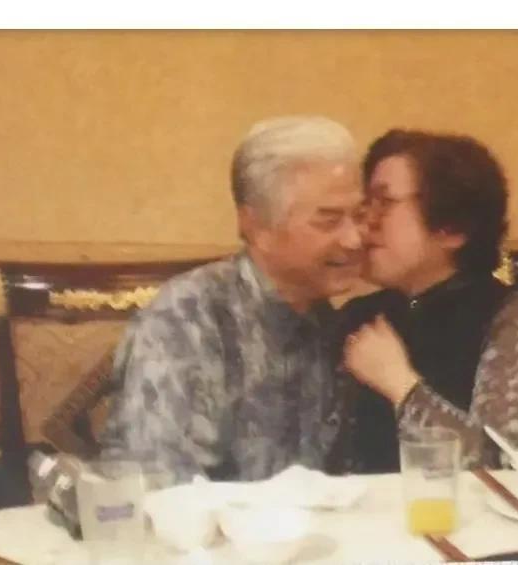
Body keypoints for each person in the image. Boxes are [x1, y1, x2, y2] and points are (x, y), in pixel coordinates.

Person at [100, 115, 366, 482]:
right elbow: (152, 479)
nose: (355, 239)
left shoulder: (337, 324)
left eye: (359, 216)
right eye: (329, 220)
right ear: (256, 226)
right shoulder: (188, 318)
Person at [341, 129, 518, 472]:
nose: (367, 222)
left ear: (452, 229)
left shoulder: (517, 315)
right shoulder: (360, 316)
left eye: (385, 203)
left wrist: (400, 386)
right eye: (367, 203)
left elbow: (501, 467)